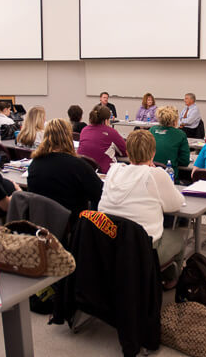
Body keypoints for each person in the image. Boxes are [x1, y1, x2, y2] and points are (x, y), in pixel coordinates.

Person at [98, 129, 186, 284]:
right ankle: (170, 281)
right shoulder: (156, 174)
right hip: (143, 250)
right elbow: (177, 204)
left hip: (107, 244)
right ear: (153, 152)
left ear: (127, 151)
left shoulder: (113, 170)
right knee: (180, 236)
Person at [28, 118, 103, 223]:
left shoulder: (35, 164)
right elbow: (99, 193)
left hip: (41, 225)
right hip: (72, 226)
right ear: (68, 137)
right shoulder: (77, 165)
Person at [77, 105, 127, 173]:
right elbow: (125, 152)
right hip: (104, 174)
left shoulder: (84, 130)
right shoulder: (111, 132)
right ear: (106, 120)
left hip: (82, 171)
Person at [150, 106, 189, 181]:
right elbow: (184, 161)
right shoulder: (180, 134)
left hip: (151, 174)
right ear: (175, 121)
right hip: (169, 177)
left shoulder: (152, 130)